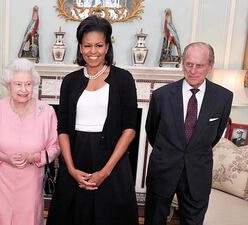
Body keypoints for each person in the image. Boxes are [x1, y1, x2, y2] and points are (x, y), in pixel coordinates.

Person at [46, 15, 139, 225]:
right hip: (76, 160)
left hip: (112, 163)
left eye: (99, 45)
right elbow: (63, 129)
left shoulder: (124, 79)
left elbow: (130, 129)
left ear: (107, 47)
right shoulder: (70, 82)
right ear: (80, 47)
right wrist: (69, 169)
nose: (93, 51)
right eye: (87, 45)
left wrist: (105, 172)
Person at [144, 42, 233, 225]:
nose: (193, 70)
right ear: (182, 64)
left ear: (210, 66)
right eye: (188, 64)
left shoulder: (223, 97)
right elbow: (151, 130)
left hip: (197, 172)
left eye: (199, 65)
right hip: (163, 170)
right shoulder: (162, 96)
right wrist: (169, 152)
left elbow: (214, 136)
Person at [0, 58, 60, 225]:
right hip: (2, 183)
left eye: (28, 84)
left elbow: (55, 147)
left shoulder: (47, 112)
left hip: (31, 183)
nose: (24, 90)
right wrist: (4, 157)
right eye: (18, 84)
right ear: (9, 85)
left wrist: (34, 157)